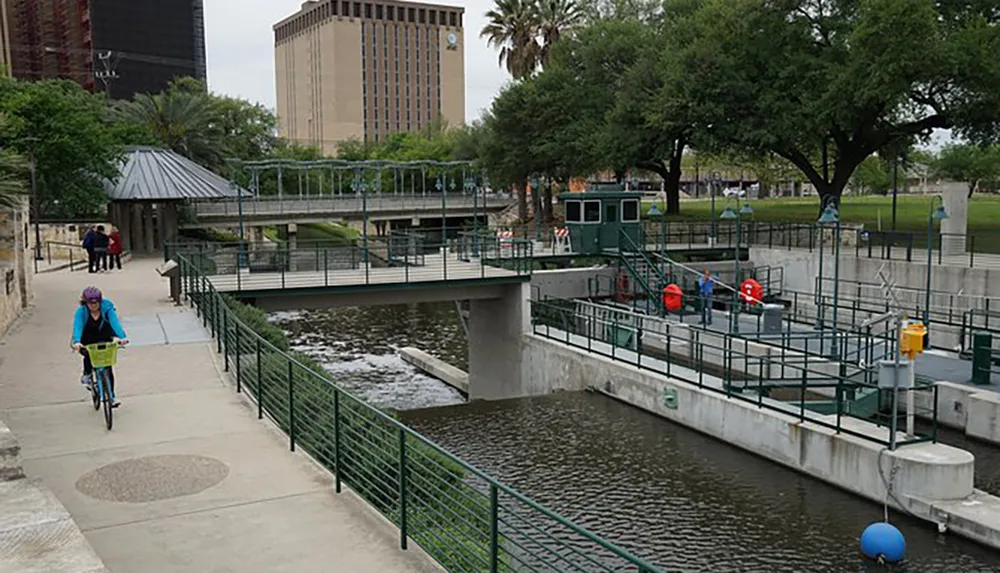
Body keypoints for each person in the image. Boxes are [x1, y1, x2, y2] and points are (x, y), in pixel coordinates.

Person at [71, 286, 128, 407]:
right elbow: (78, 326)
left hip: (104, 336)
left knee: (108, 366)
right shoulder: (81, 312)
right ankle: (87, 374)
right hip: (87, 338)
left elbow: (115, 322)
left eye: (96, 302)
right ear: (85, 302)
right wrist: (77, 341)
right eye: (90, 303)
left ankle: (111, 396)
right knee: (88, 355)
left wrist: (122, 337)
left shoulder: (107, 308)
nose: (93, 305)